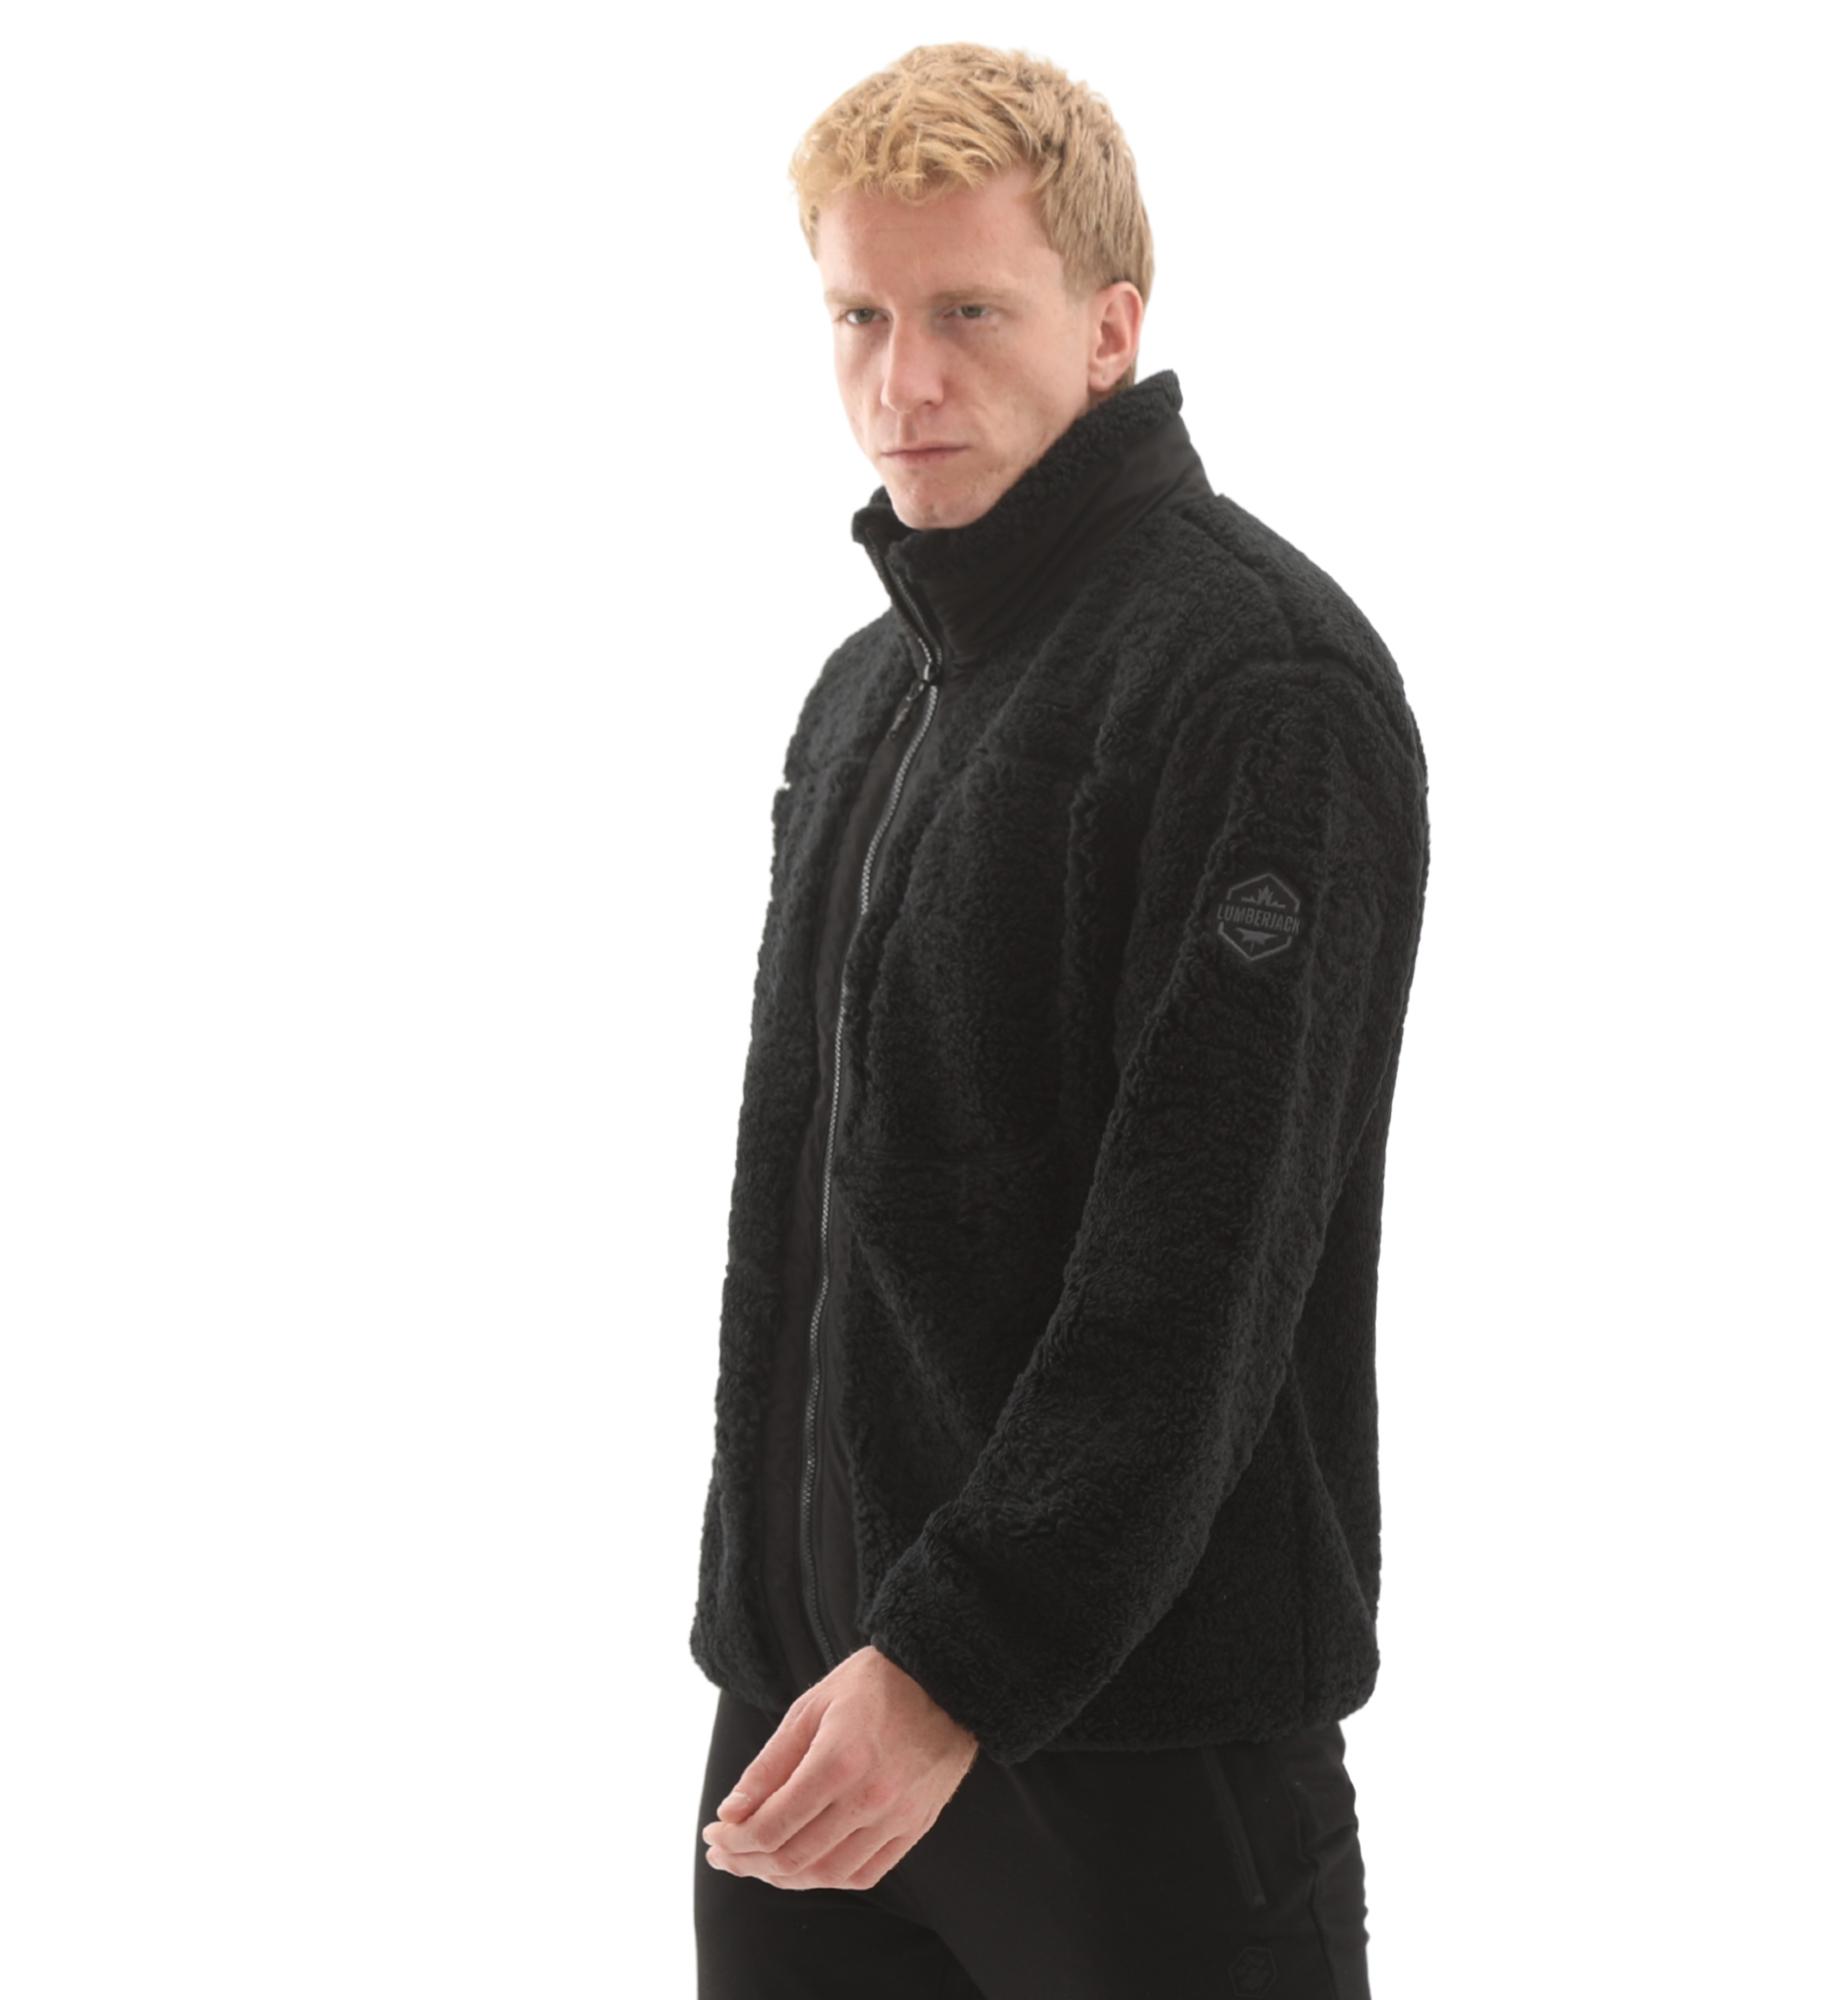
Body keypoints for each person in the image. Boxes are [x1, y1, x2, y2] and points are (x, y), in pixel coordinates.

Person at [689, 40, 1430, 1999]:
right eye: (858, 316)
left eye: (967, 314)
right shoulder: (869, 691)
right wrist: (779, 1630)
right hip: (813, 1726)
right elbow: (811, 1233)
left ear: (1110, 327)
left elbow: (1200, 1262)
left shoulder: (1258, 684)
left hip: (1135, 1758)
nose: (901, 383)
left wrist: (954, 1660)